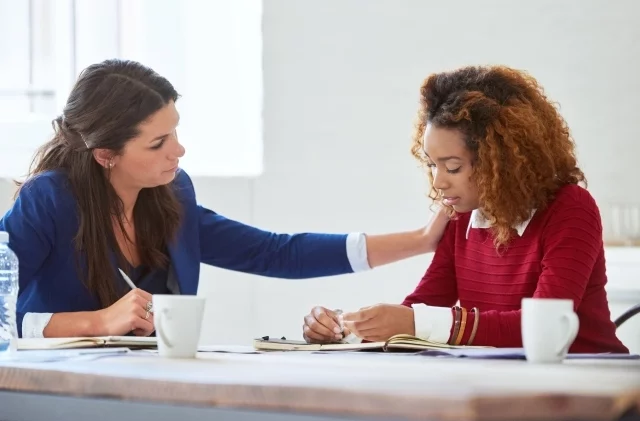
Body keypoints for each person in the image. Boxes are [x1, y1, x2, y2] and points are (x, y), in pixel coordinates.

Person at [0, 59, 451, 339]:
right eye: (157, 143)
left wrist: (422, 239)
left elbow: (276, 253)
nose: (178, 150)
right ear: (106, 155)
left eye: (175, 132)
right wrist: (96, 322)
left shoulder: (171, 194)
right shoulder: (49, 200)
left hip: (150, 387)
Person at [303, 65, 628, 353]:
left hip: (591, 381)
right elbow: (422, 310)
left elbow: (542, 327)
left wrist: (414, 323)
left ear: (501, 161)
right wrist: (347, 329)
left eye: (453, 167)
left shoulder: (570, 208)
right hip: (506, 385)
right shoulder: (460, 217)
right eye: (432, 165)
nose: (439, 182)